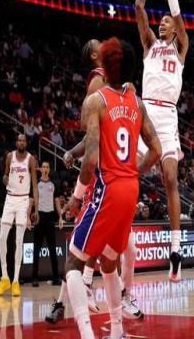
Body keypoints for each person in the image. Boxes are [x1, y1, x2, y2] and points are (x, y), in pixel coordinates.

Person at [62, 37, 161, 339]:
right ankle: (117, 330)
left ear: (105, 63)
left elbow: (91, 159)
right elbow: (156, 151)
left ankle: (87, 335)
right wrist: (132, 171)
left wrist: (76, 198)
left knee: (73, 263)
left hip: (108, 188)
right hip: (131, 188)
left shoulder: (95, 101)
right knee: (108, 262)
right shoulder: (137, 102)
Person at [47, 39, 142, 324]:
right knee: (84, 248)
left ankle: (113, 297)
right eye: (97, 44)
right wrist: (75, 156)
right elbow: (91, 136)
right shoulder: (98, 83)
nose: (104, 44)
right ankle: (70, 297)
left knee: (123, 248)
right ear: (93, 54)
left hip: (118, 175)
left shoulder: (117, 85)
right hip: (103, 175)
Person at [135, 0, 189, 281]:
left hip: (167, 118)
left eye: (167, 21)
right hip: (144, 113)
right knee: (128, 175)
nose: (163, 23)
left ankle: (175, 249)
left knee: (170, 178)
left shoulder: (181, 47)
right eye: (162, 22)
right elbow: (139, 6)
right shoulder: (149, 45)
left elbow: (178, 14)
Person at [0, 134, 39, 297]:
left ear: (26, 143)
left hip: (23, 201)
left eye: (23, 140)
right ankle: (4, 277)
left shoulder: (31, 160)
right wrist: (4, 179)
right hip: (10, 199)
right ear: (16, 142)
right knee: (1, 238)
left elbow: (35, 185)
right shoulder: (9, 157)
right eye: (19, 140)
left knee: (19, 241)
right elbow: (5, 176)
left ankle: (15, 281)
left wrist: (36, 209)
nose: (21, 142)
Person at [32, 161, 61, 286]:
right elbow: (31, 200)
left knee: (53, 249)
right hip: (39, 217)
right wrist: (28, 217)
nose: (45, 168)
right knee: (36, 249)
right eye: (43, 166)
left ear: (49, 170)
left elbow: (57, 200)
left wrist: (60, 216)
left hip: (50, 217)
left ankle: (56, 278)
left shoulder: (53, 184)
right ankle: (34, 278)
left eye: (47, 167)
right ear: (41, 169)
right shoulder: (36, 184)